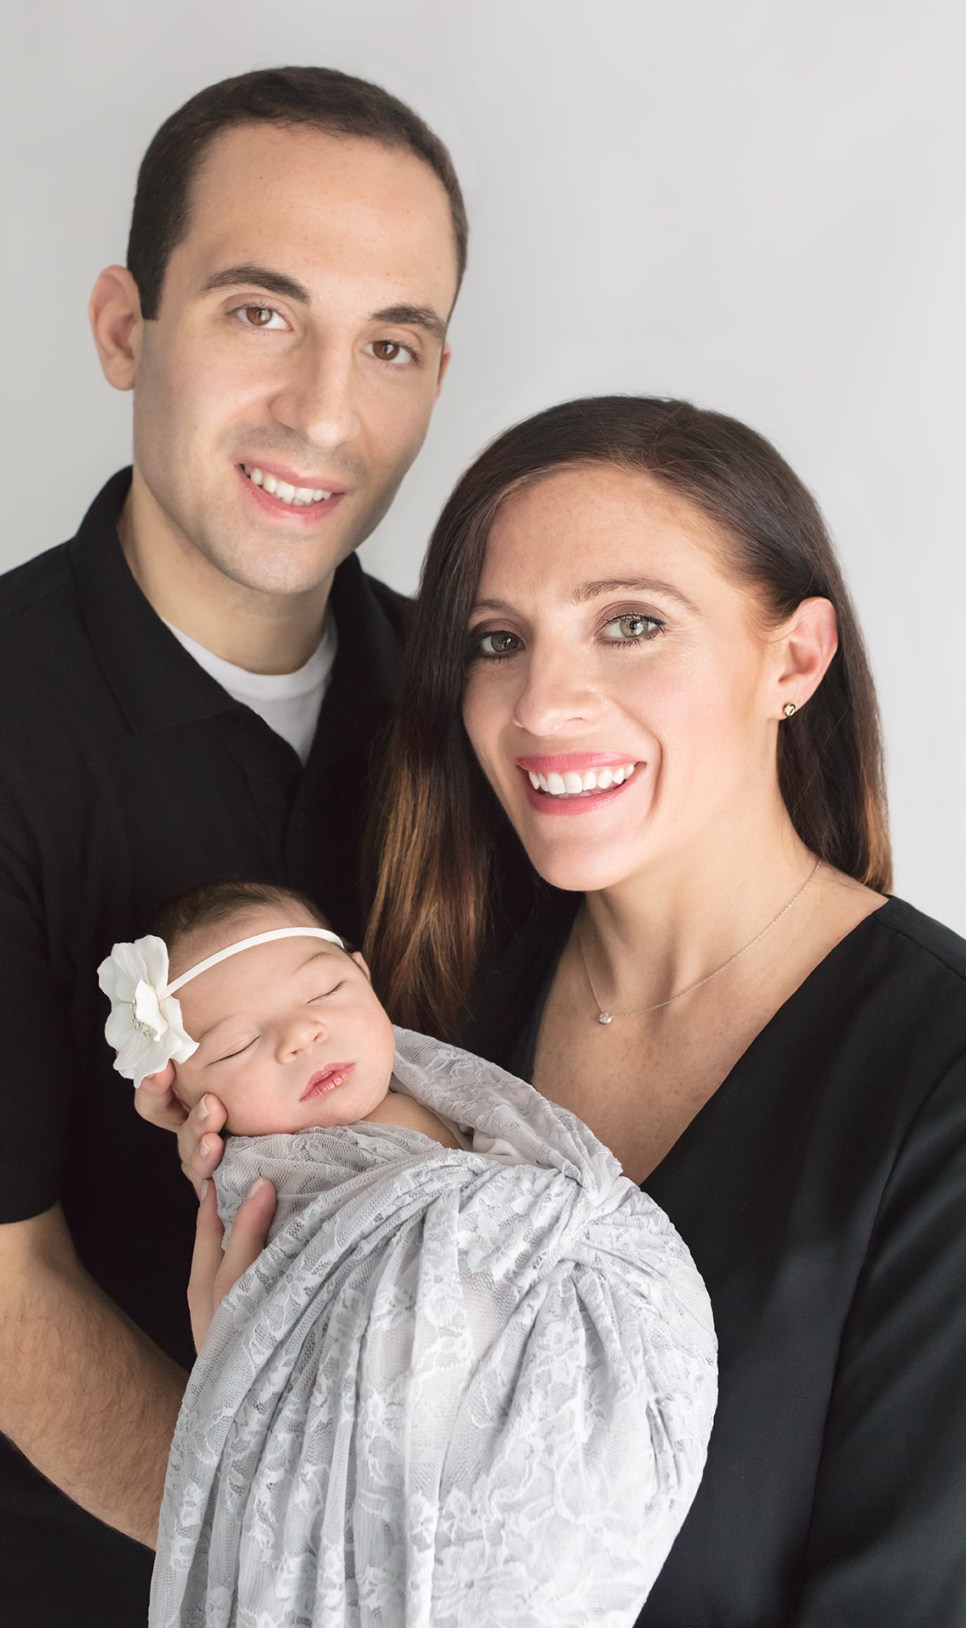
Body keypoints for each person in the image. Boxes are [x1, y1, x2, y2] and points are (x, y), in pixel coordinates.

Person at [0, 66, 463, 1627]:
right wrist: (311, 1583)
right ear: (126, 327)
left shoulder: (478, 718)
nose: (325, 411)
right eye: (260, 313)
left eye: (391, 343)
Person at [358, 394, 966, 1625]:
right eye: (496, 640)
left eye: (631, 624)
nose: (540, 703)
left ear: (793, 660)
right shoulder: (437, 1016)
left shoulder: (935, 1073)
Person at [101, 879, 715, 1627]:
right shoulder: (277, 1180)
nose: (300, 1036)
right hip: (403, 1445)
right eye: (235, 1044)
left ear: (365, 976)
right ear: (195, 1105)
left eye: (322, 991)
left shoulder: (443, 1090)